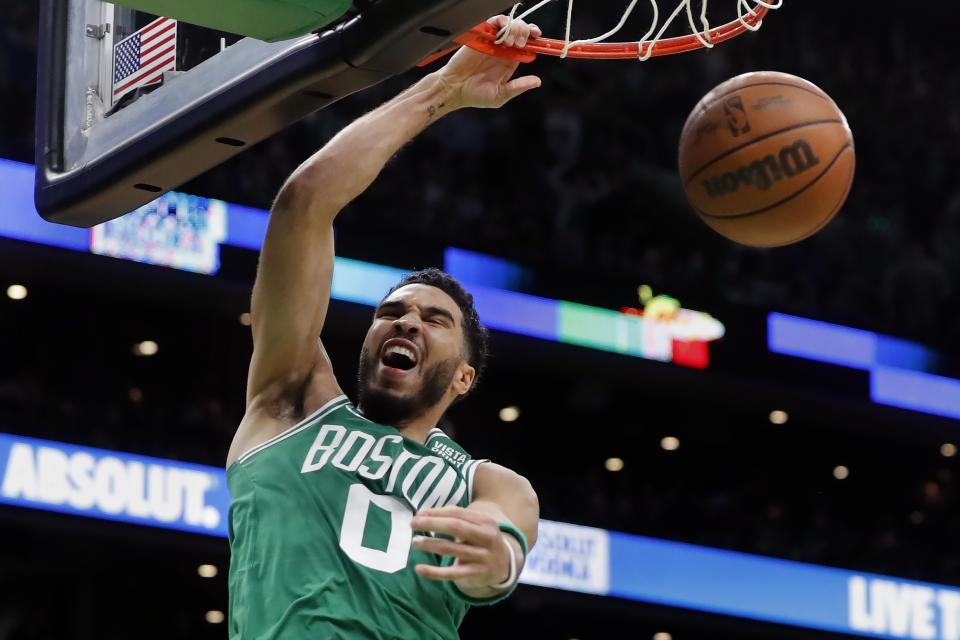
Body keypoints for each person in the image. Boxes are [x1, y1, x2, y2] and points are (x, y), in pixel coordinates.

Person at [224, 15, 542, 640]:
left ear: (465, 376)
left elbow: (499, 554)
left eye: (434, 319)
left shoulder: (485, 480)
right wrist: (444, 90)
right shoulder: (287, 401)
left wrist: (495, 558)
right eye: (391, 312)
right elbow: (306, 200)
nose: (407, 321)